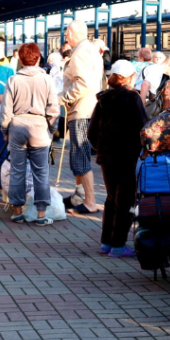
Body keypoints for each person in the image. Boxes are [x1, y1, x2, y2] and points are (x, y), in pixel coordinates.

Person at [88, 60, 147, 257]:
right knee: (127, 199)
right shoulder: (133, 98)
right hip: (128, 156)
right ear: (130, 77)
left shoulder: (103, 99)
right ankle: (119, 244)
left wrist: (102, 147)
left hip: (106, 157)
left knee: (112, 198)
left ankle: (106, 242)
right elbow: (143, 128)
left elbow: (91, 132)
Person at [0, 42, 59, 226]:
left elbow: (5, 111)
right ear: (38, 58)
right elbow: (54, 110)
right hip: (40, 126)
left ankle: (17, 212)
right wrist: (51, 130)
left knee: (17, 170)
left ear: (20, 58)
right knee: (41, 172)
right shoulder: (47, 79)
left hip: (17, 127)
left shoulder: (13, 80)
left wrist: (5, 130)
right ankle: (41, 214)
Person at [61, 18, 105, 216]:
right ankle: (80, 195)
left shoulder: (80, 52)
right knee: (80, 155)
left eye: (66, 33)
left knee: (80, 155)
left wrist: (63, 97)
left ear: (70, 34)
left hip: (81, 110)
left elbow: (83, 83)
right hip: (90, 108)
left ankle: (90, 201)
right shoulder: (91, 50)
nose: (65, 37)